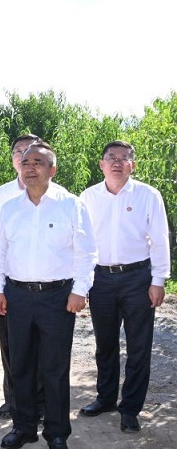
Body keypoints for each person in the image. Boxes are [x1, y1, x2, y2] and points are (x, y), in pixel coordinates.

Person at [0, 141, 97, 449]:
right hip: (18, 295)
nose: (30, 167)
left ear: (52, 169)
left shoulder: (71, 205)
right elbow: (0, 253)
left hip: (57, 297)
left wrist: (80, 290)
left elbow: (86, 252)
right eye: (25, 162)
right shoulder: (10, 208)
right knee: (20, 364)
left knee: (53, 369)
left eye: (38, 162)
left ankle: (56, 433)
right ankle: (23, 427)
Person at [78, 140, 170, 433]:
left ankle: (130, 408)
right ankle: (105, 399)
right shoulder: (88, 197)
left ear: (133, 165)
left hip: (137, 279)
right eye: (111, 157)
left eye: (124, 158)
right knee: (105, 344)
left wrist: (158, 280)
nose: (117, 162)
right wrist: (81, 282)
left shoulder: (148, 195)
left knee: (138, 346)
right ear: (101, 164)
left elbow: (159, 240)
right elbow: (81, 243)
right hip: (101, 279)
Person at [0, 133, 49, 419]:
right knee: (11, 347)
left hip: (46, 286)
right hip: (12, 284)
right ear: (14, 159)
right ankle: (12, 399)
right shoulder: (1, 194)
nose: (24, 157)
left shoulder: (55, 193)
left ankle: (39, 403)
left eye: (31, 152)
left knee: (41, 349)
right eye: (19, 151)